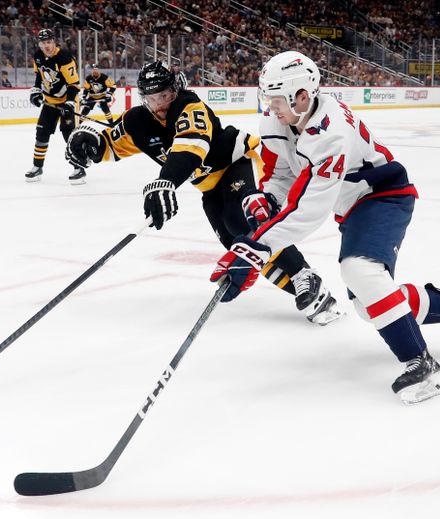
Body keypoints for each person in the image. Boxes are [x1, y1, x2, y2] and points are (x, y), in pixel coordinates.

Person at [208, 51, 440, 404]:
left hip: (383, 194)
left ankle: (422, 366)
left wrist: (256, 247)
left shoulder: (329, 131)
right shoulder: (277, 122)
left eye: (276, 100)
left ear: (302, 96)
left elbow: (309, 210)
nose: (270, 107)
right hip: (353, 204)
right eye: (268, 99)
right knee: (368, 306)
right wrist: (268, 201)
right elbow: (280, 175)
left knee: (360, 271)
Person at [65, 60, 343, 325]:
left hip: (237, 163)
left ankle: (303, 273)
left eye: (164, 95)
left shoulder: (189, 106)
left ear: (176, 89)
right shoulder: (137, 122)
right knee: (236, 246)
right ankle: (310, 294)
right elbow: (111, 146)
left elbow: (190, 148)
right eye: (152, 99)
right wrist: (89, 145)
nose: (159, 104)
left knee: (242, 221)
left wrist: (166, 181)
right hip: (209, 187)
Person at [25, 28, 84, 185]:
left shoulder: (64, 58)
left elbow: (74, 84)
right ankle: (37, 167)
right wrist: (36, 92)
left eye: (49, 42)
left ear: (54, 42)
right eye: (44, 43)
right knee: (41, 133)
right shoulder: (38, 56)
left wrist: (70, 103)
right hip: (50, 102)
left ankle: (79, 168)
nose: (47, 46)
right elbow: (40, 77)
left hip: (67, 100)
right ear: (39, 44)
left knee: (69, 135)